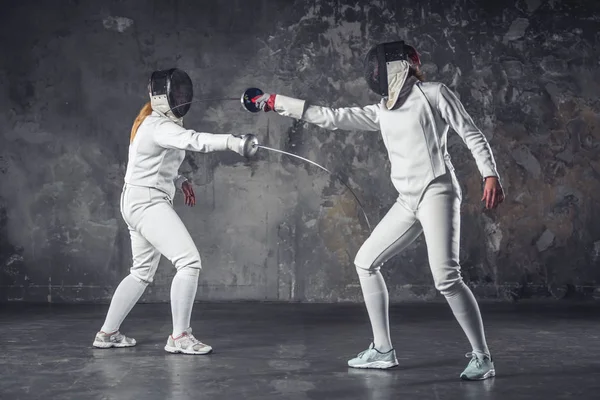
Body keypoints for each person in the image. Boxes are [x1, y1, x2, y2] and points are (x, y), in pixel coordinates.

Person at [251, 41, 504, 380]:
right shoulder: (382, 110)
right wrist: (275, 101)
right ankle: (383, 350)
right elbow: (330, 117)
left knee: (446, 278)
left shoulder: (433, 94)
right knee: (365, 262)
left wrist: (490, 173)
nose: (374, 76)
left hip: (437, 191)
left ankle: (482, 357)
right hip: (407, 200)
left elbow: (470, 133)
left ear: (398, 68)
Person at [93, 68, 257, 355]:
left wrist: (179, 180)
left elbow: (150, 163)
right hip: (147, 203)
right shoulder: (159, 125)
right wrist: (234, 141)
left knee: (141, 272)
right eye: (176, 93)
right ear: (162, 96)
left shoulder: (153, 122)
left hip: (136, 199)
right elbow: (194, 140)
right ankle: (179, 337)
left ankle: (107, 334)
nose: (181, 98)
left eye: (183, 93)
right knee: (189, 261)